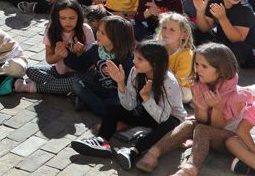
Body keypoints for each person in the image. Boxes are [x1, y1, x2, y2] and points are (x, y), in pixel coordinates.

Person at [69, 40, 185, 171]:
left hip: (168, 119)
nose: (134, 61)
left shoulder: (168, 81)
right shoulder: (135, 72)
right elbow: (129, 105)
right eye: (135, 56)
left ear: (154, 63)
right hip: (147, 113)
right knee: (112, 108)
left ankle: (133, 152)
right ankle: (102, 141)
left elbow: (162, 118)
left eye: (140, 59)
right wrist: (120, 83)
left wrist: (146, 97)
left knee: (168, 124)